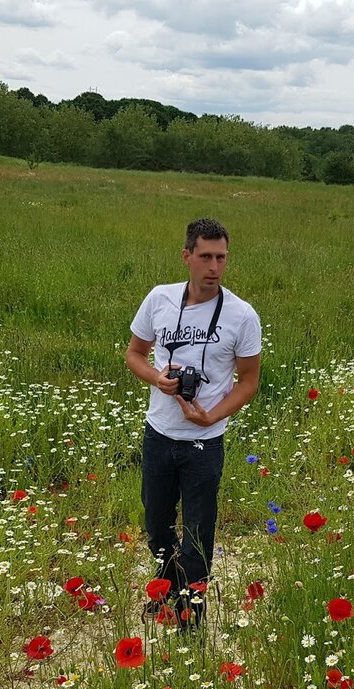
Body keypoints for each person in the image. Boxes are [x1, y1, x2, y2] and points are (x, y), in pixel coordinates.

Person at [126, 218, 262, 629]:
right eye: (205, 256)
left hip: (205, 441)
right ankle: (167, 588)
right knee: (157, 526)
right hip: (159, 434)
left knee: (199, 534)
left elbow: (249, 381)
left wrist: (212, 415)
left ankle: (191, 618)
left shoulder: (242, 315)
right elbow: (134, 354)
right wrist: (157, 379)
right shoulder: (159, 298)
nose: (214, 267)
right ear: (186, 256)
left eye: (221, 257)